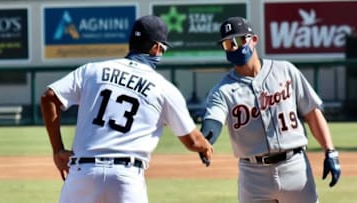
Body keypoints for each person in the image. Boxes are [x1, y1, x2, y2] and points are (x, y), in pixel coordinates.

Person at [40, 15, 213, 203]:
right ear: (156, 48)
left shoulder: (93, 71)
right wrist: (206, 147)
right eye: (162, 49)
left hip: (82, 174)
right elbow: (193, 141)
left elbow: (49, 97)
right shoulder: (163, 88)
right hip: (125, 178)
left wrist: (58, 151)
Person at [199, 16, 341, 203]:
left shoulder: (285, 70)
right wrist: (205, 139)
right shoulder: (222, 90)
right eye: (228, 44)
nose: (234, 47)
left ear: (254, 40)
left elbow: (312, 112)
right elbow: (213, 122)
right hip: (253, 175)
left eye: (239, 40)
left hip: (295, 167)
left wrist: (330, 151)